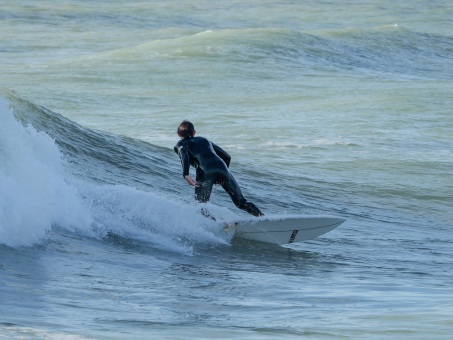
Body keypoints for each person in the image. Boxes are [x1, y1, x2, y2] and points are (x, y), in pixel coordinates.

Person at [174, 120, 264, 217]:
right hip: (222, 167)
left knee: (201, 206)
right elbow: (227, 157)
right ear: (194, 132)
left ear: (178, 133)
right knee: (241, 202)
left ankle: (214, 225)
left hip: (205, 170)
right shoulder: (205, 140)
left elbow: (184, 156)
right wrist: (222, 176)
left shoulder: (180, 144)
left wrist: (186, 174)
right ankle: (263, 218)